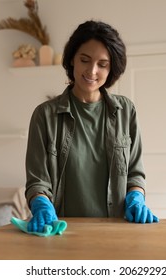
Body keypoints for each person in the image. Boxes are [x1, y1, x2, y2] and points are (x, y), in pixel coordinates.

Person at [25, 20, 158, 233]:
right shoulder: (45, 115)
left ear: (112, 68)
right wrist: (41, 204)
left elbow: (135, 173)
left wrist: (136, 197)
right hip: (63, 231)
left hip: (116, 231)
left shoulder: (126, 111)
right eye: (85, 60)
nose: (92, 71)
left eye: (102, 64)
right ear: (72, 61)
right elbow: (37, 182)